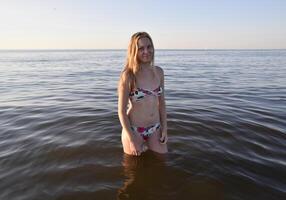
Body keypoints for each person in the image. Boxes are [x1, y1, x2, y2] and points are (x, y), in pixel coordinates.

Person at [118, 32, 168, 156]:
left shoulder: (159, 72)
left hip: (155, 128)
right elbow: (121, 112)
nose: (146, 51)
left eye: (149, 47)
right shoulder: (128, 76)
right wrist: (131, 138)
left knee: (163, 162)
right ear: (134, 51)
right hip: (134, 130)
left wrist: (165, 128)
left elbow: (161, 103)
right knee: (132, 171)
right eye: (141, 48)